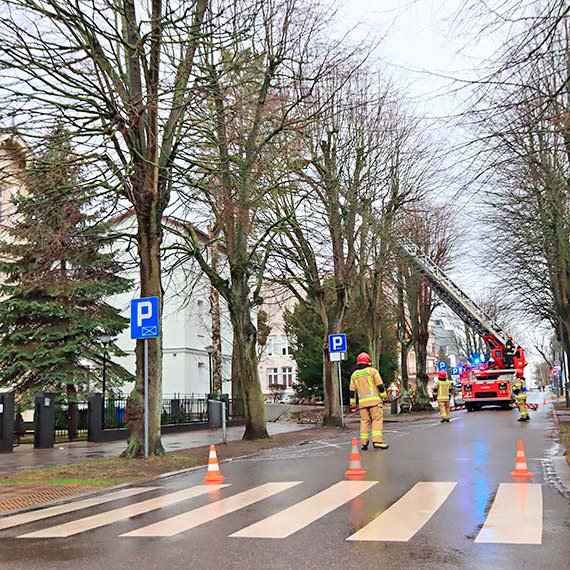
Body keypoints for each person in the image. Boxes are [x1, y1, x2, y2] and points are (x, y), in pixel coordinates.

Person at [349, 352, 389, 450]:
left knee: (364, 422)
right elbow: (380, 386)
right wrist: (384, 398)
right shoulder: (373, 371)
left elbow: (351, 392)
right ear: (368, 361)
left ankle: (364, 443)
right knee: (377, 420)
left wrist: (353, 405)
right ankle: (377, 441)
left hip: (362, 404)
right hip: (375, 402)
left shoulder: (354, 375)